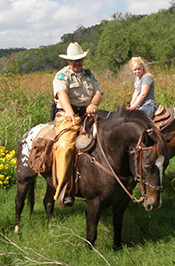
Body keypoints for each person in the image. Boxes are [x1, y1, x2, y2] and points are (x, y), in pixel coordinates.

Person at [52, 42, 103, 206]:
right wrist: (68, 111)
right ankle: (64, 188)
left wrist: (94, 103)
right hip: (68, 116)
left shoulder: (89, 75)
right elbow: (61, 93)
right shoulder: (62, 75)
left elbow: (98, 92)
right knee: (66, 146)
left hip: (88, 114)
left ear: (83, 59)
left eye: (79, 60)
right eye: (73, 61)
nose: (77, 63)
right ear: (68, 61)